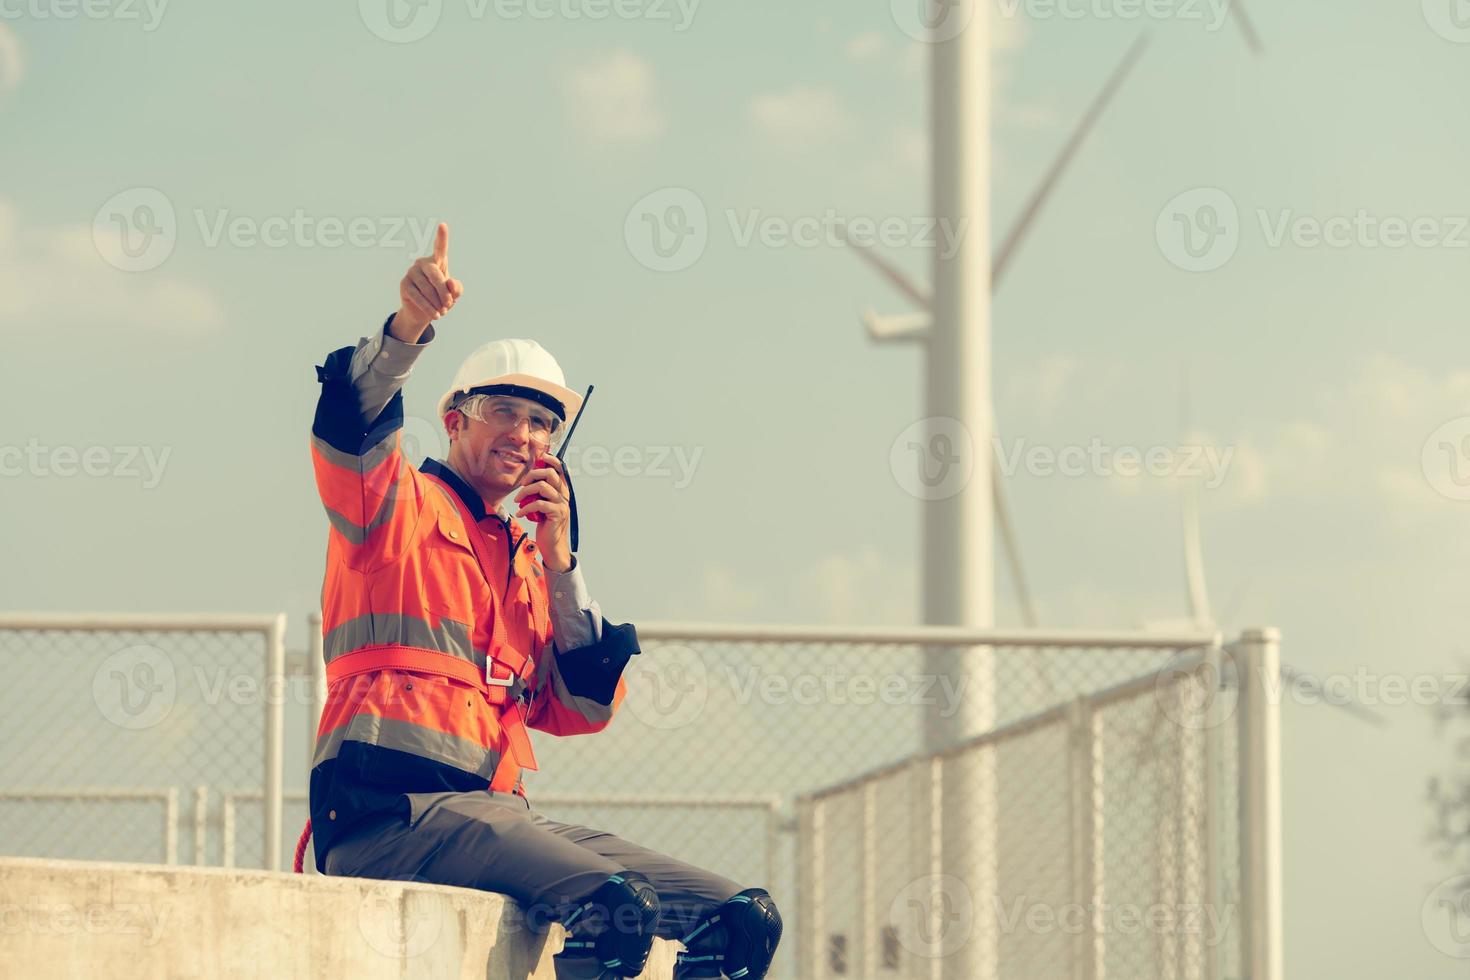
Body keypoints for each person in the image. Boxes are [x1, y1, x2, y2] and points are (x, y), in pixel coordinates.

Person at [303, 223, 781, 979]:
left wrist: (563, 564)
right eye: (504, 412)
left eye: (541, 423)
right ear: (455, 418)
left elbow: (580, 711)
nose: (524, 435)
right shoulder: (394, 505)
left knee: (742, 921)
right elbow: (352, 425)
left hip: (496, 819)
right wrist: (409, 328)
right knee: (614, 906)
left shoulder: (530, 565)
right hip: (384, 812)